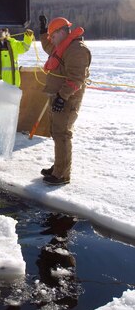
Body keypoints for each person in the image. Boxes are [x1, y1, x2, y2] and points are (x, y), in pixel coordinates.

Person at [39, 15, 92, 186]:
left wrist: (62, 97)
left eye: (53, 36)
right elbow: (48, 46)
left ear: (62, 32)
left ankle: (62, 175)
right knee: (57, 132)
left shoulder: (77, 49)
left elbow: (76, 79)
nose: (51, 40)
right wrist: (42, 32)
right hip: (59, 97)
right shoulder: (62, 45)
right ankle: (59, 166)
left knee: (62, 134)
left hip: (67, 99)